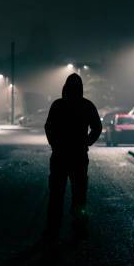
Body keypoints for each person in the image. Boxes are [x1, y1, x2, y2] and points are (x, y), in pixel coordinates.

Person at [44, 73, 102, 239]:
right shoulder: (87, 105)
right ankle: (79, 225)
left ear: (65, 88)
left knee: (56, 194)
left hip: (60, 156)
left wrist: (55, 143)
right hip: (78, 156)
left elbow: (48, 127)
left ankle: (53, 229)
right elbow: (97, 127)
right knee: (79, 193)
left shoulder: (58, 105)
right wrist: (87, 142)